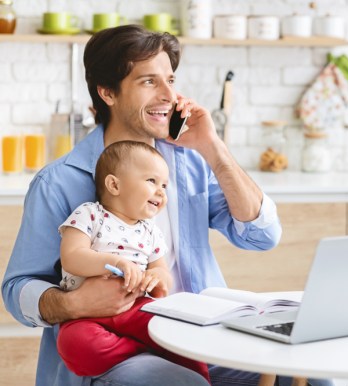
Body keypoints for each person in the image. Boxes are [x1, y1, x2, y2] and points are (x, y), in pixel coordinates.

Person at [2, 24, 327, 386]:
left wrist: (212, 148)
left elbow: (262, 235)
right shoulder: (59, 181)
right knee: (178, 381)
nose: (169, 95)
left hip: (203, 332)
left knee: (311, 373)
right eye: (148, 82)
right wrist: (72, 304)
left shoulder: (189, 161)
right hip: (115, 344)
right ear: (108, 92)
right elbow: (18, 289)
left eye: (171, 80)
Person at [56, 140, 209, 382]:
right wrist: (115, 263)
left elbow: (161, 270)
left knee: (179, 332)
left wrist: (156, 278)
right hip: (86, 314)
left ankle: (201, 379)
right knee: (72, 344)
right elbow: (72, 256)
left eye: (164, 185)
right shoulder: (89, 214)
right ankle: (144, 349)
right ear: (114, 184)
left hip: (135, 307)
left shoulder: (150, 231)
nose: (161, 191)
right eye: (152, 181)